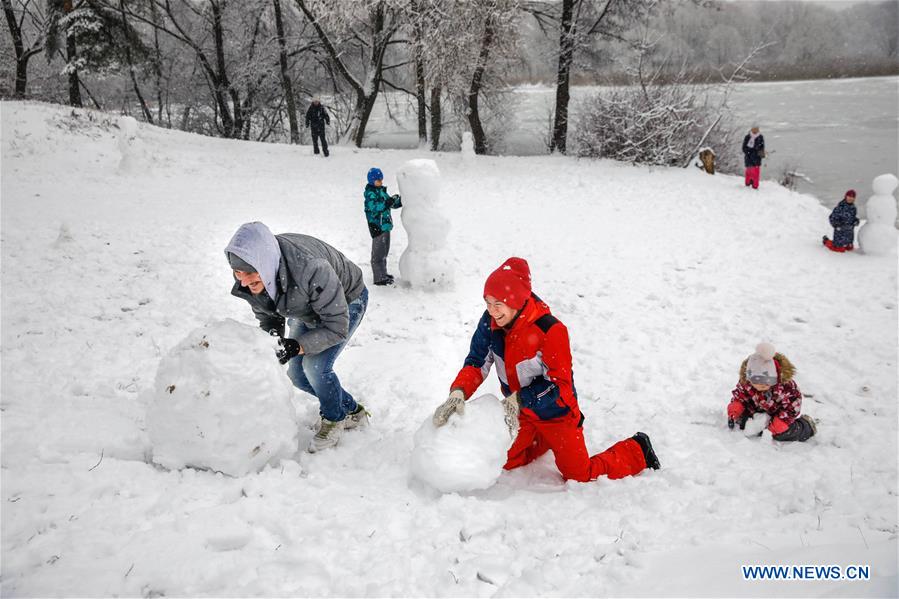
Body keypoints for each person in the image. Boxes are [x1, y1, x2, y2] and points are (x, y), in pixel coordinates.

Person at [432, 257, 660, 483]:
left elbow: (559, 386)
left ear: (515, 301)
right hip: (520, 413)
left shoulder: (550, 331)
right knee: (503, 460)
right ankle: (543, 439)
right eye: (488, 303)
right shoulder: (490, 322)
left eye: (497, 304)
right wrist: (458, 393)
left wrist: (519, 400)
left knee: (579, 475)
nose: (492, 311)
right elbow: (475, 362)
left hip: (556, 414)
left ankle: (638, 449)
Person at [225, 222, 369, 452]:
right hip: (303, 303)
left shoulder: (311, 269)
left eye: (251, 278)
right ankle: (352, 411)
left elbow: (335, 327)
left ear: (265, 266)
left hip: (344, 301)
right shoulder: (252, 272)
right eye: (238, 275)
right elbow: (267, 313)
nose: (243, 283)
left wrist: (296, 346)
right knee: (296, 374)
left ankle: (335, 418)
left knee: (315, 367)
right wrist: (273, 341)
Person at [727, 343, 816, 442]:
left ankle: (806, 426)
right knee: (741, 423)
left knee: (781, 433)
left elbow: (792, 406)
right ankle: (759, 424)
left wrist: (783, 420)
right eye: (756, 380)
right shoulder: (746, 383)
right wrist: (736, 406)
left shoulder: (785, 387)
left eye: (768, 380)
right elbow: (740, 396)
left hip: (778, 415)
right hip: (756, 411)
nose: (762, 384)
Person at [363, 167, 403, 286]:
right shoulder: (370, 194)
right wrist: (388, 202)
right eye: (378, 180)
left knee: (384, 252)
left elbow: (390, 204)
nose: (381, 182)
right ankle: (379, 278)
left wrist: (399, 201)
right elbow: (376, 207)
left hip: (385, 226)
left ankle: (383, 273)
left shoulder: (381, 191)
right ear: (372, 181)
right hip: (377, 226)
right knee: (378, 254)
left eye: (381, 180)